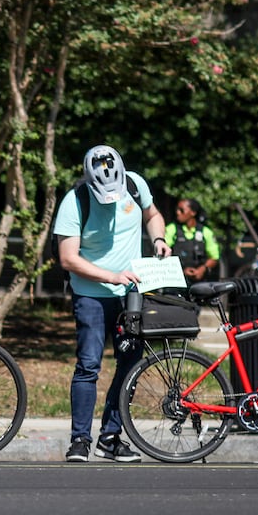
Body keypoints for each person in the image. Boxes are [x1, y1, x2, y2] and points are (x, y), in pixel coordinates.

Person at [54, 145, 169, 464]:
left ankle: (110, 436)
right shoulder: (74, 201)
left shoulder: (134, 184)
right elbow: (68, 258)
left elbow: (153, 215)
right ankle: (80, 440)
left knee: (130, 363)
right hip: (90, 295)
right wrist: (111, 275)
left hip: (129, 293)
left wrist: (158, 239)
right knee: (89, 364)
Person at [164, 198, 219, 282]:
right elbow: (162, 253)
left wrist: (202, 269)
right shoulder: (171, 229)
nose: (177, 212)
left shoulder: (206, 232)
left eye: (182, 210)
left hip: (200, 282)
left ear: (193, 213)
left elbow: (214, 258)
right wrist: (181, 271)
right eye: (177, 209)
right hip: (176, 281)